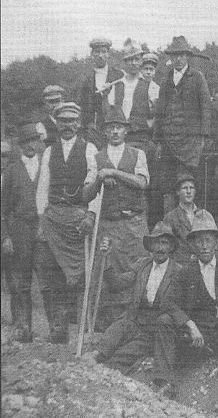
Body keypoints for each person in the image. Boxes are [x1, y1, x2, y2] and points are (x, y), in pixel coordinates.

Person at [156, 210, 218, 404]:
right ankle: (166, 383)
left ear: (216, 243)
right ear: (192, 245)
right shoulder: (186, 272)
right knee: (164, 321)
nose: (204, 246)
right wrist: (190, 325)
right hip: (196, 341)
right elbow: (168, 302)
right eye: (199, 241)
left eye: (208, 240)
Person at [81, 223, 182, 380]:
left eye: (164, 243)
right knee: (117, 329)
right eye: (156, 242)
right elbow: (117, 284)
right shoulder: (143, 265)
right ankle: (95, 356)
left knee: (122, 356)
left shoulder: (178, 272)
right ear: (150, 246)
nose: (160, 248)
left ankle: (104, 373)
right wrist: (106, 258)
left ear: (171, 247)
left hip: (153, 331)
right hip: (134, 321)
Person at [35, 102, 100, 343]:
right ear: (57, 123)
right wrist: (42, 217)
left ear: (79, 123)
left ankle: (84, 328)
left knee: (81, 274)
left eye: (72, 121)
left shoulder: (89, 149)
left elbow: (95, 186)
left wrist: (90, 215)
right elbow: (43, 187)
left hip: (77, 217)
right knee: (52, 273)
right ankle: (58, 327)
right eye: (63, 121)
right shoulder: (50, 151)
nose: (68, 126)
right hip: (53, 218)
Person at [84, 106, 150, 330]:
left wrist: (113, 173)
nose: (114, 131)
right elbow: (86, 193)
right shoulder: (96, 158)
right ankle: (107, 324)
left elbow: (142, 183)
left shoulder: (137, 154)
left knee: (136, 267)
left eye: (119, 127)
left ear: (125, 131)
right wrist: (99, 180)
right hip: (109, 224)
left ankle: (136, 320)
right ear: (104, 131)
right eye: (110, 127)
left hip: (134, 223)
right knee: (108, 268)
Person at [153, 36, 211, 211]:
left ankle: (195, 223)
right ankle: (170, 225)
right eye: (175, 55)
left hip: (190, 143)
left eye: (181, 55)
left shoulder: (198, 78)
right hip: (169, 141)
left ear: (187, 57)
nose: (178, 59)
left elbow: (206, 108)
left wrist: (202, 137)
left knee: (190, 183)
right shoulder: (165, 80)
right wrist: (158, 141)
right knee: (169, 184)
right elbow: (159, 112)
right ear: (171, 57)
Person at [1, 124, 43, 342]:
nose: (29, 146)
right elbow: (3, 208)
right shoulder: (11, 170)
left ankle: (57, 327)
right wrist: (5, 236)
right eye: (25, 142)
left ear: (38, 142)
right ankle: (22, 325)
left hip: (43, 228)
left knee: (48, 277)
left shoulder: (46, 166)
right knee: (20, 280)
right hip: (19, 230)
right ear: (20, 145)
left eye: (33, 141)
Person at [105, 41, 160, 163]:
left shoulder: (151, 86)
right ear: (125, 62)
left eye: (136, 59)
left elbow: (156, 116)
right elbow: (109, 111)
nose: (133, 63)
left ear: (141, 61)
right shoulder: (116, 85)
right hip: (119, 139)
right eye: (130, 60)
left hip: (141, 139)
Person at [78, 37, 122, 149]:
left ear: (108, 54)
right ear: (92, 54)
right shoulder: (86, 80)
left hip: (115, 126)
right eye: (97, 52)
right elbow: (83, 107)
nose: (100, 55)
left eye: (104, 52)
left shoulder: (119, 75)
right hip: (94, 130)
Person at [162, 173, 203, 266]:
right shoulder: (170, 218)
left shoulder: (203, 215)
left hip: (202, 265)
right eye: (185, 188)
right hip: (181, 267)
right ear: (178, 192)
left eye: (191, 188)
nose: (189, 191)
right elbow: (166, 247)